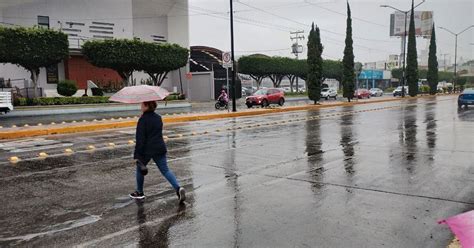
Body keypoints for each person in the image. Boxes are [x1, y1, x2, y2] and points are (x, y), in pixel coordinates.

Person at [129, 101, 186, 203]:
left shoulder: (143, 120)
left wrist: (137, 155)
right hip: (159, 147)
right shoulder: (158, 118)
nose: (140, 106)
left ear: (146, 106)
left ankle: (140, 192)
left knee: (139, 169)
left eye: (142, 104)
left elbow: (140, 139)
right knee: (165, 170)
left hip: (147, 150)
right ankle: (178, 188)